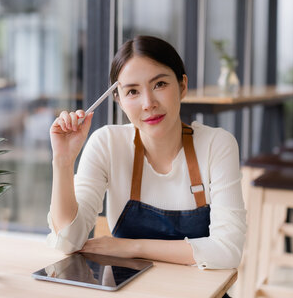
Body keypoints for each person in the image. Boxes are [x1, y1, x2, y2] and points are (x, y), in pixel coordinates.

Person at [47, 35, 246, 269]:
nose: (148, 103)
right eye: (132, 92)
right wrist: (63, 161)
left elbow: (228, 250)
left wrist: (132, 247)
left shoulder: (217, 145)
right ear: (118, 100)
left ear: (182, 86)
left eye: (160, 84)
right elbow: (68, 242)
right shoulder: (107, 144)